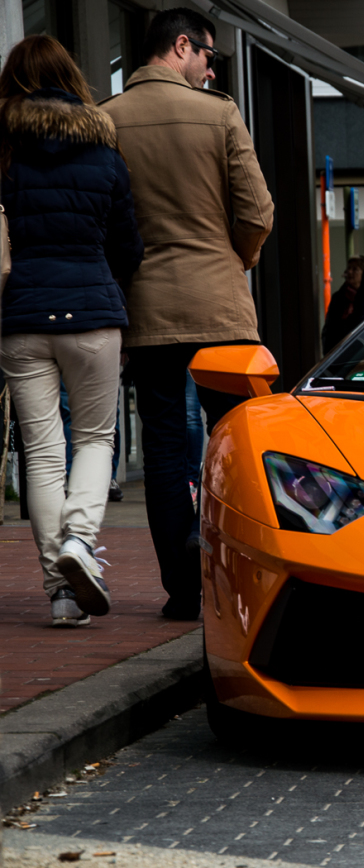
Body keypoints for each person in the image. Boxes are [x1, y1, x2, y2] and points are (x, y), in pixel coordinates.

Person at [101, 7, 274, 621]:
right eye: (208, 56)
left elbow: (107, 223)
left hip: (148, 308)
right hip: (221, 308)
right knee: (239, 445)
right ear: (182, 46)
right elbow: (257, 211)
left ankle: (182, 590)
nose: (209, 69)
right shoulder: (220, 113)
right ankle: (247, 579)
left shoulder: (107, 120)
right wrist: (236, 261)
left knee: (167, 447)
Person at [0, 35, 144, 627]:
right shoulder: (105, 152)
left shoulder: (4, 152)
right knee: (95, 440)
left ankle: (61, 593)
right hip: (92, 313)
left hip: (23, 317)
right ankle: (80, 541)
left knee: (43, 453)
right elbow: (128, 246)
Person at [321, 255, 364, 353]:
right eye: (348, 268)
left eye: (355, 269)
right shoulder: (338, 297)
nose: (349, 272)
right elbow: (329, 329)